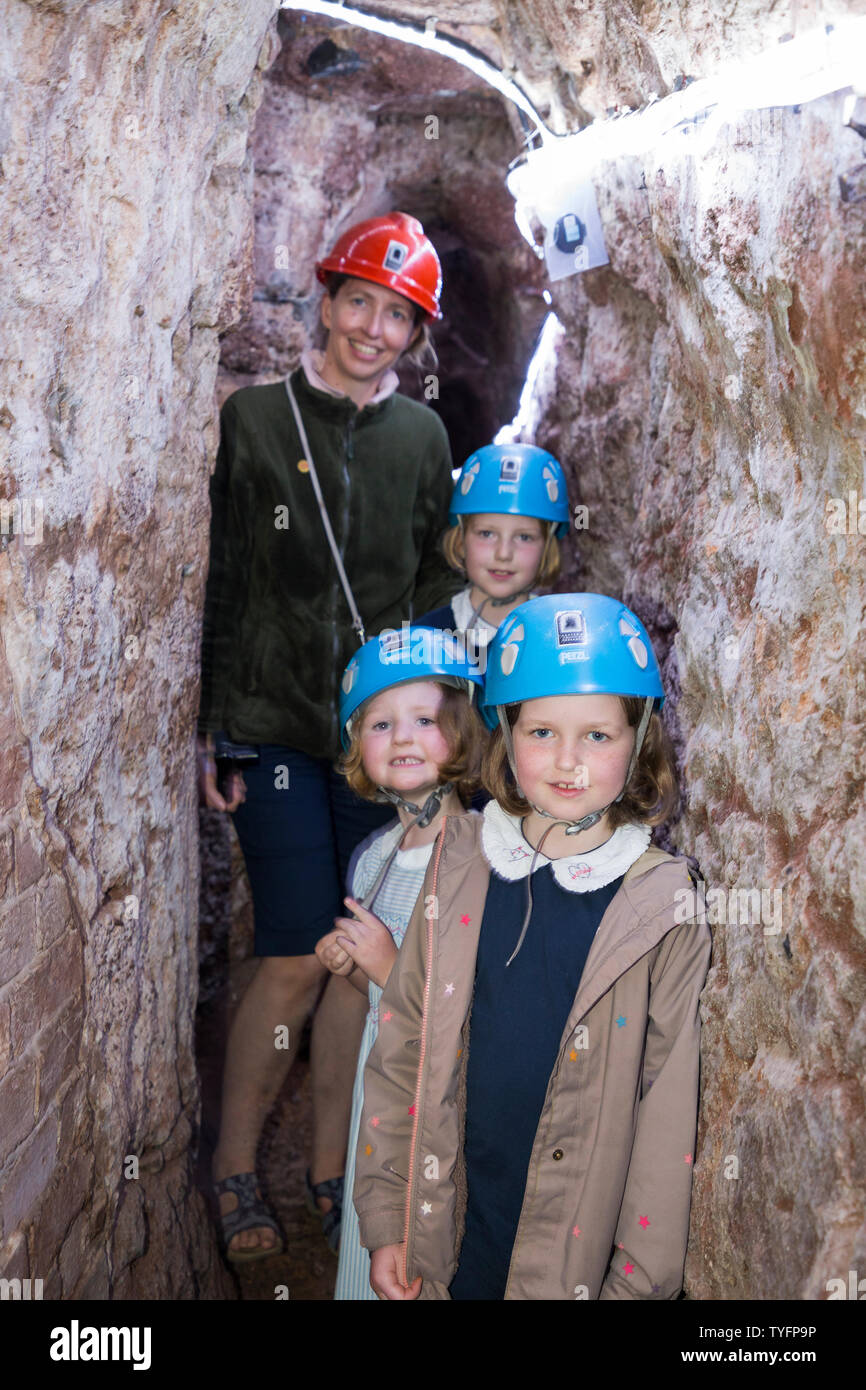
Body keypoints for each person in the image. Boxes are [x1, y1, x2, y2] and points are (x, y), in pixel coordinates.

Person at [197, 212, 462, 1261]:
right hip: (273, 730)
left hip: (376, 737)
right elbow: (227, 576)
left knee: (357, 957)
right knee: (295, 956)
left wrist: (433, 734)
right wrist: (217, 729)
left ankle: (331, 1170)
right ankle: (231, 1168)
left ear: (413, 335)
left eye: (396, 316)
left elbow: (433, 585)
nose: (372, 329)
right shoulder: (257, 420)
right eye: (359, 301)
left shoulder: (422, 439)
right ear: (327, 298)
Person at [352, 592, 712, 1299]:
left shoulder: (662, 904)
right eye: (542, 731)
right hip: (452, 1233)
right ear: (504, 729)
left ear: (640, 737)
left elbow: (666, 1119)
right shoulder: (460, 859)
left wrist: (636, 1285)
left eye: (598, 736)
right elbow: (402, 1044)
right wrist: (391, 1216)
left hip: (569, 1265)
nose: (567, 761)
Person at [314, 627, 486, 1298]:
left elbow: (467, 1007)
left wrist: (387, 967)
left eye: (424, 720)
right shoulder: (373, 857)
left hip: (437, 1095)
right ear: (357, 744)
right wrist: (352, 966)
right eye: (381, 724)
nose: (403, 737)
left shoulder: (483, 857)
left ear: (464, 730)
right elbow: (378, 991)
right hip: (379, 1082)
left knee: (424, 1249)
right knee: (375, 1245)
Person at [417, 441, 570, 669]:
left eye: (524, 537)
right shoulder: (424, 641)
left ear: (547, 546)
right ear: (460, 539)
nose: (503, 554)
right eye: (487, 534)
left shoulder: (560, 643)